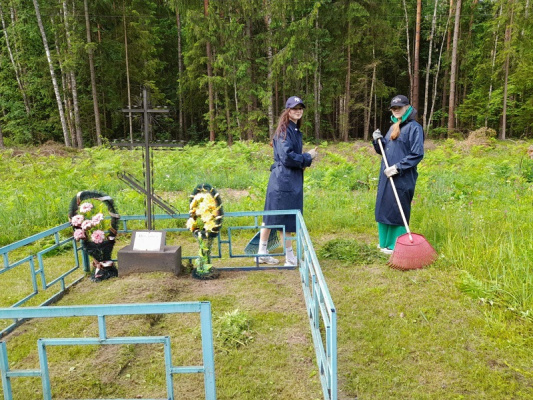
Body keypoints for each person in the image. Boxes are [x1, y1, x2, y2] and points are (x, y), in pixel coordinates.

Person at [257, 96, 318, 266]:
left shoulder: (294, 129)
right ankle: (289, 258)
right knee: (285, 219)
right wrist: (307, 157)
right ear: (288, 111)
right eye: (294, 108)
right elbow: (287, 157)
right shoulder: (285, 130)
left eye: (300, 108)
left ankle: (263, 252)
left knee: (272, 216)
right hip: (284, 181)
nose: (298, 111)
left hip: (286, 179)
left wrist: (304, 159)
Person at [372, 95, 424, 254]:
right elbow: (384, 151)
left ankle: (397, 245)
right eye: (394, 108)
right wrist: (377, 141)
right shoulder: (393, 126)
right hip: (386, 176)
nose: (396, 111)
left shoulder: (415, 128)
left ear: (407, 107)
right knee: (383, 208)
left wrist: (398, 167)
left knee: (397, 209)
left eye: (399, 108)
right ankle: (384, 243)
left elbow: (417, 154)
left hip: (402, 177)